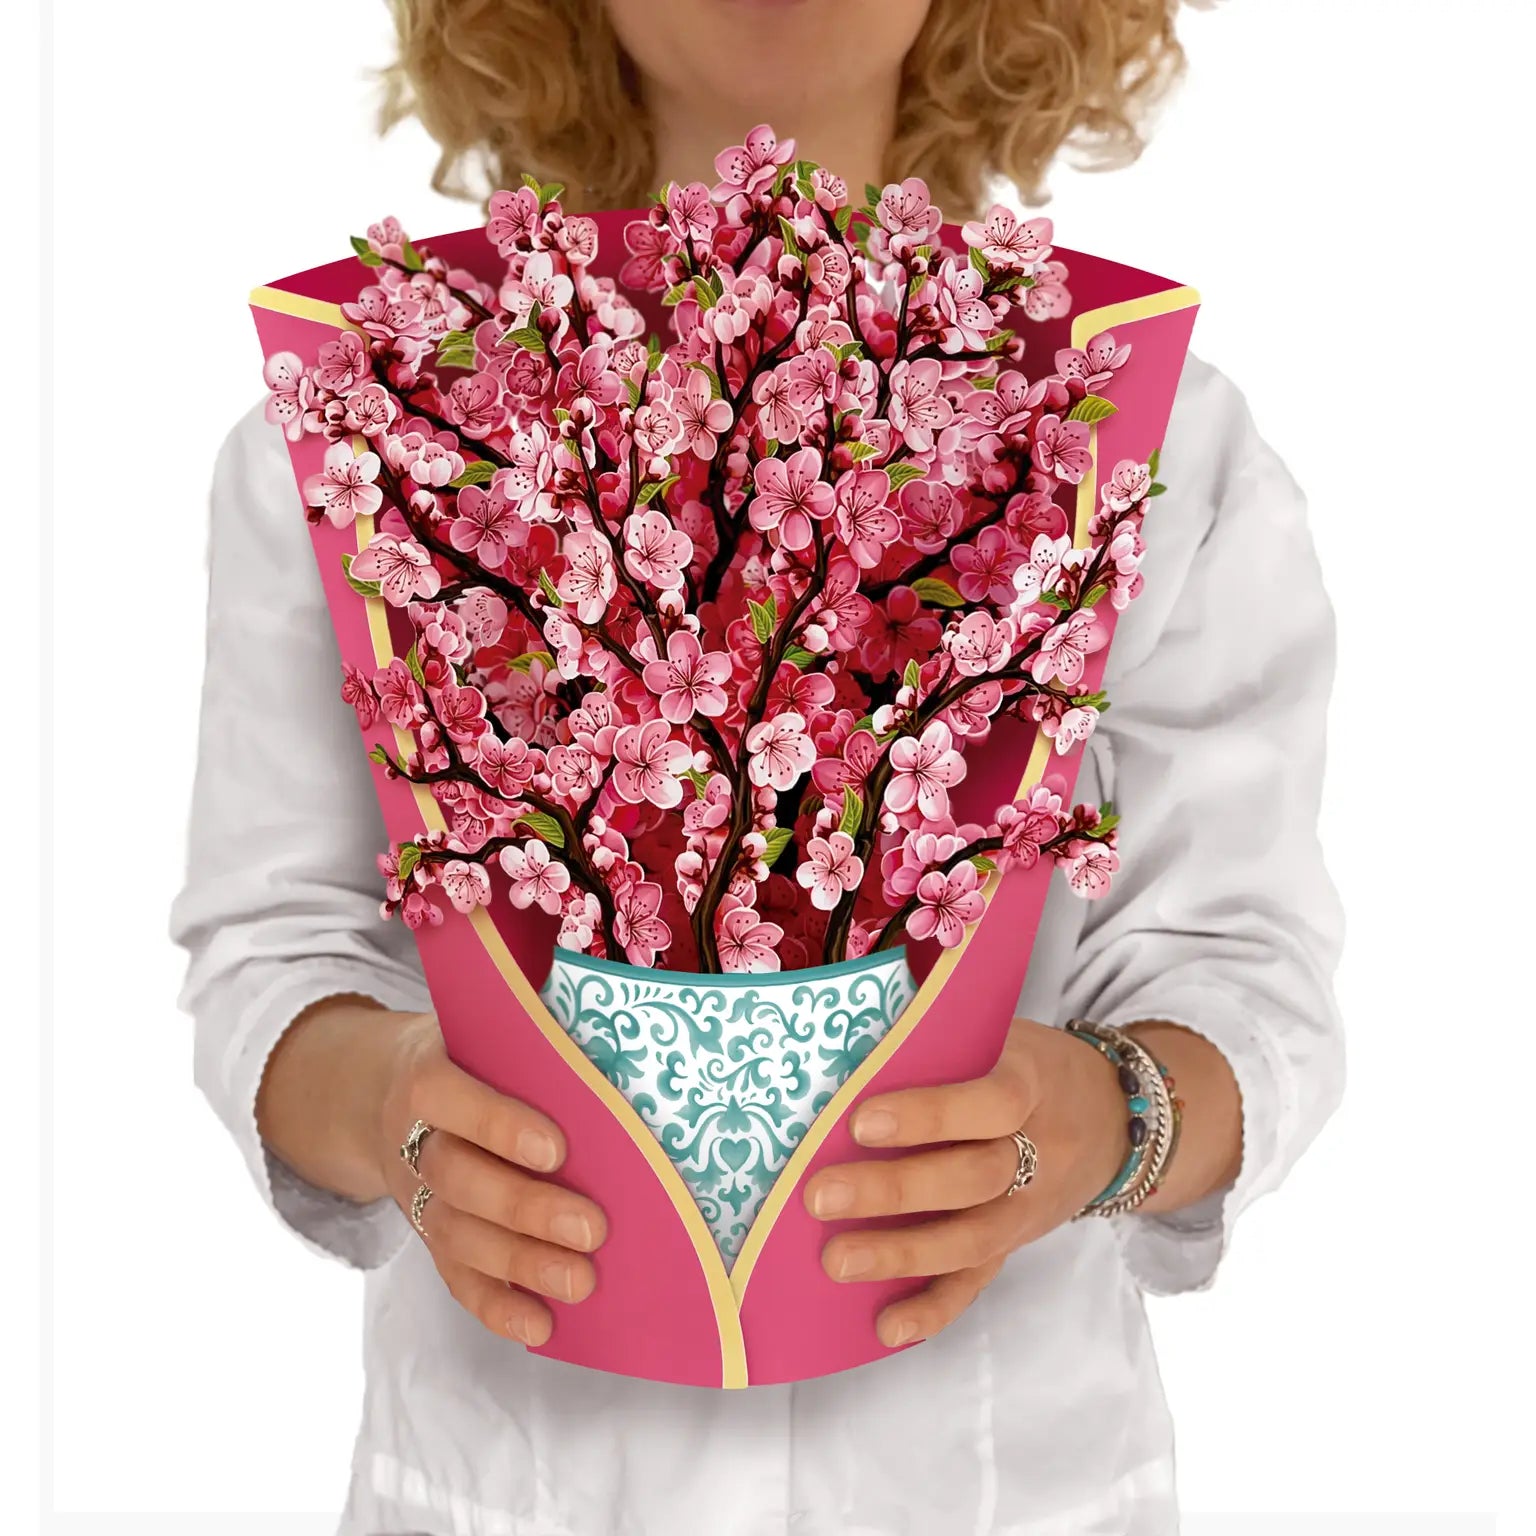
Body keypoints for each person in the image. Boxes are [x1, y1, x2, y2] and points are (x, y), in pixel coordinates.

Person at [170, 1, 1345, 1532]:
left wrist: (1114, 1120)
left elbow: (1245, 966)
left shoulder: (1152, 434)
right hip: (508, 1475)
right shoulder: (364, 424)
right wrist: (392, 1106)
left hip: (1007, 1480)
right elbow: (273, 944)